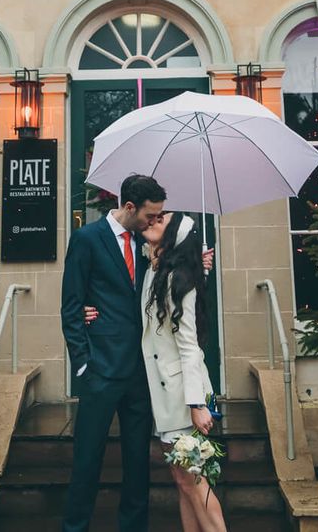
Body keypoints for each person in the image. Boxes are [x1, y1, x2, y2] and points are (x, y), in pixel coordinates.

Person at [85, 211, 228, 532]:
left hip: (183, 398)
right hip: (165, 399)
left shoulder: (179, 281)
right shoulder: (157, 271)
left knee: (196, 481)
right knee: (183, 481)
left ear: (172, 236)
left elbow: (190, 346)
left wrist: (196, 404)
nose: (153, 221)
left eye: (161, 220)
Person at [60, 174, 166, 532]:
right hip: (100, 371)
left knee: (138, 463)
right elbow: (71, 308)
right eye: (151, 215)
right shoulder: (86, 240)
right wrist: (83, 365)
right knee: (87, 460)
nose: (155, 222)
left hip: (139, 372)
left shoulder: (145, 242)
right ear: (130, 207)